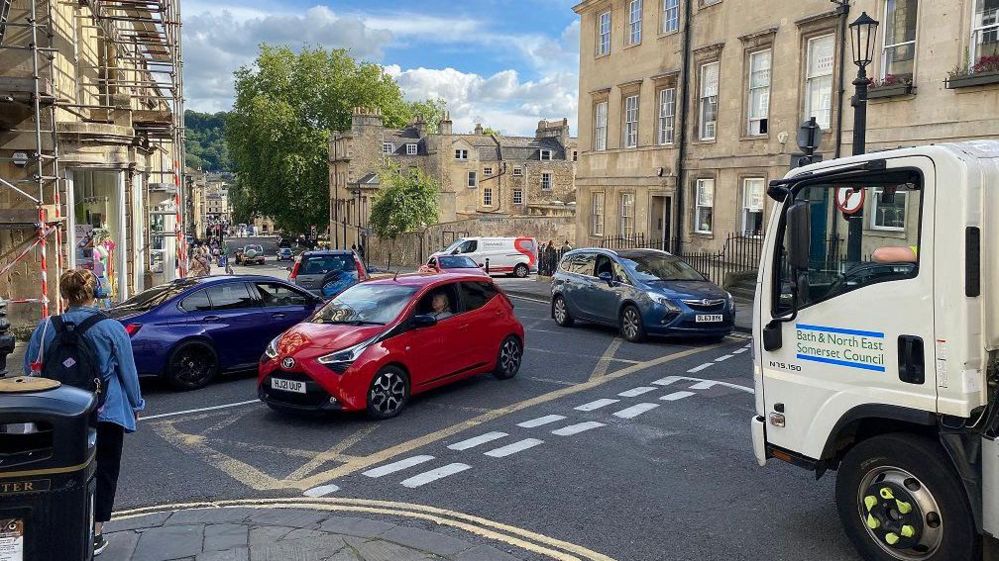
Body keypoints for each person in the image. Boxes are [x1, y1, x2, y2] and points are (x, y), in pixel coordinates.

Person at [23, 269, 144, 556]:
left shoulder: (45, 328)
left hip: (56, 416)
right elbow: (129, 373)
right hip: (104, 411)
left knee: (57, 474)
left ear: (64, 295)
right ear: (95, 294)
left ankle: (59, 527)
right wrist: (137, 406)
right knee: (105, 471)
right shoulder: (112, 329)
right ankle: (96, 533)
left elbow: (30, 370)